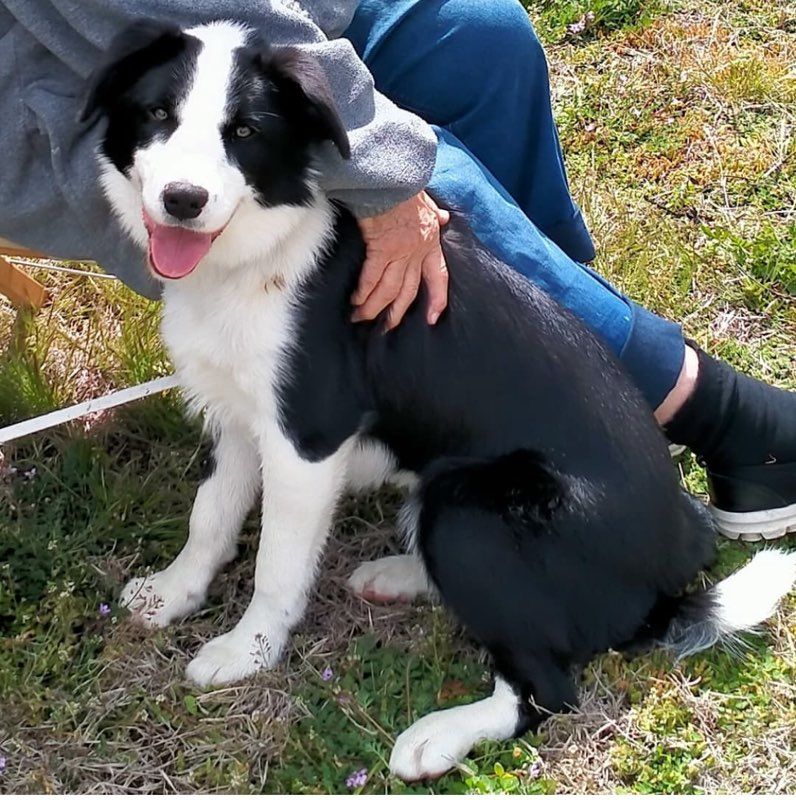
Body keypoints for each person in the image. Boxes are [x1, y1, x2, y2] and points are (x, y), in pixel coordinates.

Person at [1, 0, 793, 541]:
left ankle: (555, 373)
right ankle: (723, 423)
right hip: (74, 82)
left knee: (481, 38)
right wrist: (385, 182)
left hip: (283, 12)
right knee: (431, 186)